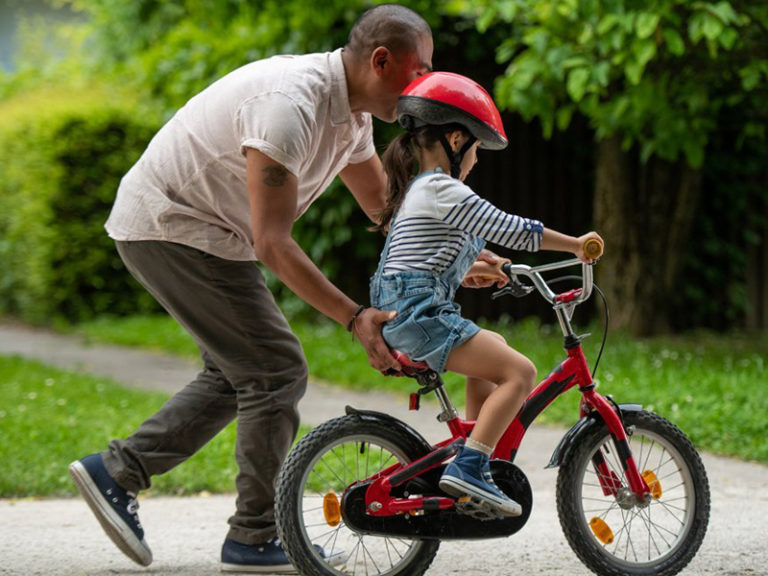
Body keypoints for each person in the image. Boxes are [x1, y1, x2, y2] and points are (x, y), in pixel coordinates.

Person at [68, 5, 437, 573]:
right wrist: (354, 315)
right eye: (421, 70)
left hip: (208, 232)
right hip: (171, 223)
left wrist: (458, 252)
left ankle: (118, 472)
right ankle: (255, 534)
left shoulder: (353, 119)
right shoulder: (290, 107)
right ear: (381, 61)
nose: (426, 86)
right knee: (274, 369)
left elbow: (383, 209)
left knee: (240, 371)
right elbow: (273, 242)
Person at [370, 71, 603, 516]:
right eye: (475, 149)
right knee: (521, 372)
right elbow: (510, 228)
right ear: (456, 139)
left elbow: (424, 262)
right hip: (419, 316)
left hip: (410, 310)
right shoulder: (442, 187)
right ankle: (472, 465)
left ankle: (470, 448)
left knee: (492, 348)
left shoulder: (424, 192)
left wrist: (472, 271)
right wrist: (576, 245)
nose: (476, 160)